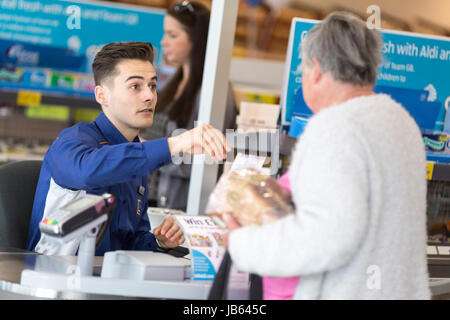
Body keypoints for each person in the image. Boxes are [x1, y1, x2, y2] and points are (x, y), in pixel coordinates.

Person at [223, 12, 431, 299]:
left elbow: (325, 238)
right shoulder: (401, 122)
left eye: (304, 68)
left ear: (317, 69)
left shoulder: (334, 128)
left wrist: (243, 244)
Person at [26, 41, 230, 256]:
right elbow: (89, 171)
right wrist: (175, 143)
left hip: (107, 280)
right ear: (101, 95)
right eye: (135, 86)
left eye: (152, 85)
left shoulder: (137, 157)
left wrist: (158, 242)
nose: (149, 96)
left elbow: (128, 242)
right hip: (54, 278)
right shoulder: (71, 142)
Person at [140, 0, 237, 211]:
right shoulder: (173, 85)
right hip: (154, 200)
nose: (164, 42)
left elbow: (209, 158)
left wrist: (152, 151)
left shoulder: (214, 93)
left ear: (196, 40)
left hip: (184, 209)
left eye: (173, 35)